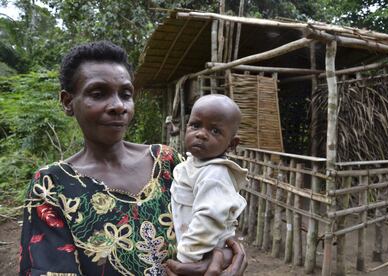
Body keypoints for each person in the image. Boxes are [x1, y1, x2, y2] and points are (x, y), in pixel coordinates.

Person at [19, 41, 247, 276]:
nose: (118, 106)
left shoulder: (170, 163)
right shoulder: (52, 186)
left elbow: (216, 221)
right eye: (98, 94)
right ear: (68, 102)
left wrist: (224, 257)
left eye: (126, 94)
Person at [171, 95, 247, 263]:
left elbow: (208, 220)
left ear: (231, 144)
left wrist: (185, 259)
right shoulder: (193, 165)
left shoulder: (215, 174)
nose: (201, 134)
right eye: (195, 125)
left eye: (215, 131)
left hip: (201, 255)